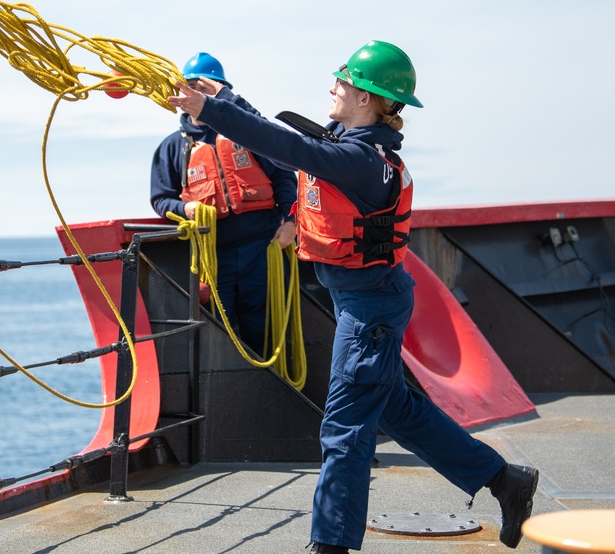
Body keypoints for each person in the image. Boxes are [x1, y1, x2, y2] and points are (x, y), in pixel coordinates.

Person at [168, 41, 539, 551]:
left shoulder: (360, 161)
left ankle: (332, 545)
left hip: (369, 312)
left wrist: (210, 111)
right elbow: (299, 139)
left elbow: (291, 149)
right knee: (397, 412)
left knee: (344, 431)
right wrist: (227, 100)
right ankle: (505, 480)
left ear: (366, 98)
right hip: (367, 302)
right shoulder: (357, 147)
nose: (332, 87)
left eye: (341, 81)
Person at [150, 52, 297, 353]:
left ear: (220, 92)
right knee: (222, 331)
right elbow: (161, 199)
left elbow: (284, 178)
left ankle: (270, 389)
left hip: (263, 249)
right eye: (191, 87)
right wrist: (185, 209)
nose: (198, 95)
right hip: (214, 256)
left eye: (206, 88)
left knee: (265, 327)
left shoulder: (251, 135)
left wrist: (291, 223)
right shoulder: (172, 147)